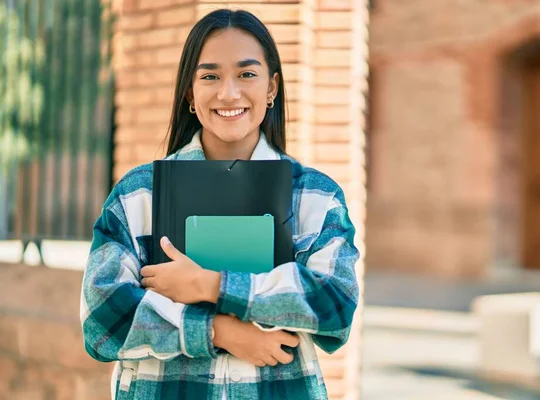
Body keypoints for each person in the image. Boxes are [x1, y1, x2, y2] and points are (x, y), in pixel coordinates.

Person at [80, 8, 359, 400]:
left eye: (246, 74)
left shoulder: (314, 196)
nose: (228, 93)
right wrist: (215, 331)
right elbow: (102, 319)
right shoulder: (139, 194)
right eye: (210, 76)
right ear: (190, 94)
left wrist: (209, 285)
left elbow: (334, 304)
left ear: (272, 87)